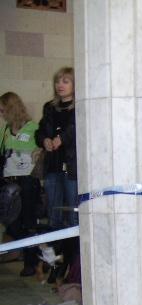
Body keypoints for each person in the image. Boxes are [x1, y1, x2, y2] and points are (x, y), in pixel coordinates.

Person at [0, 92, 41, 276]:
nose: (1, 114)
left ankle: (31, 262)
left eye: (3, 110)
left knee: (28, 222)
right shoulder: (5, 131)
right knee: (12, 223)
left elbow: (40, 151)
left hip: (27, 180)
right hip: (8, 181)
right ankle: (34, 252)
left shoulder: (33, 128)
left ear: (11, 108)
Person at [35, 66, 77, 229]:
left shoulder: (79, 107)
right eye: (57, 81)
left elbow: (77, 129)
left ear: (74, 84)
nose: (60, 85)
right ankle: (55, 251)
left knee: (74, 213)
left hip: (71, 166)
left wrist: (62, 139)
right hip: (52, 165)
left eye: (65, 81)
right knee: (53, 213)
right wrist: (44, 140)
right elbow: (40, 131)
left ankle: (73, 252)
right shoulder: (49, 107)